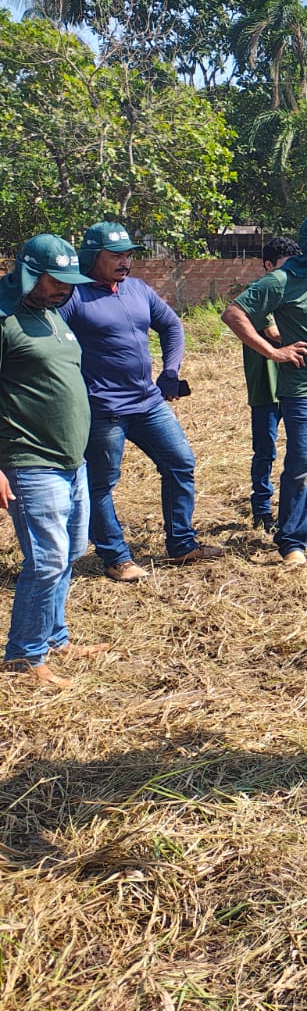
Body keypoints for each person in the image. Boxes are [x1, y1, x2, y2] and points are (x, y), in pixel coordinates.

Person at [61, 221, 224, 581]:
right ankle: (115, 557)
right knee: (102, 484)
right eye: (115, 255)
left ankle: (182, 544)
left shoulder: (136, 289)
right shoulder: (73, 295)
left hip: (147, 402)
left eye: (128, 255)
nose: (125, 262)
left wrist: (171, 370)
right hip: (103, 410)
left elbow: (171, 326)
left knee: (180, 462)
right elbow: (52, 347)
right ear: (92, 257)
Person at [222, 212, 307, 566]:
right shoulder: (282, 280)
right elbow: (234, 313)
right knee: (302, 462)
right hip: (303, 388)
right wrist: (273, 352)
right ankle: (291, 539)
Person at [0, 234, 104, 687]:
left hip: (71, 459)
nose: (66, 288)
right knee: (46, 560)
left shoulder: (52, 313)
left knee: (70, 553)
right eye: (56, 280)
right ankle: (24, 655)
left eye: (69, 280)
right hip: (29, 459)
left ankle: (54, 636)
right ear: (28, 272)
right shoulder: (6, 320)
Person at [243, 234, 299, 533]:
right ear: (267, 265)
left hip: (294, 385)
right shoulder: (260, 293)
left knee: (299, 451)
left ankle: (294, 509)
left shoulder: (293, 293)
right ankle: (262, 509)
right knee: (266, 451)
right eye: (284, 266)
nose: (290, 273)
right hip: (266, 384)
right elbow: (275, 333)